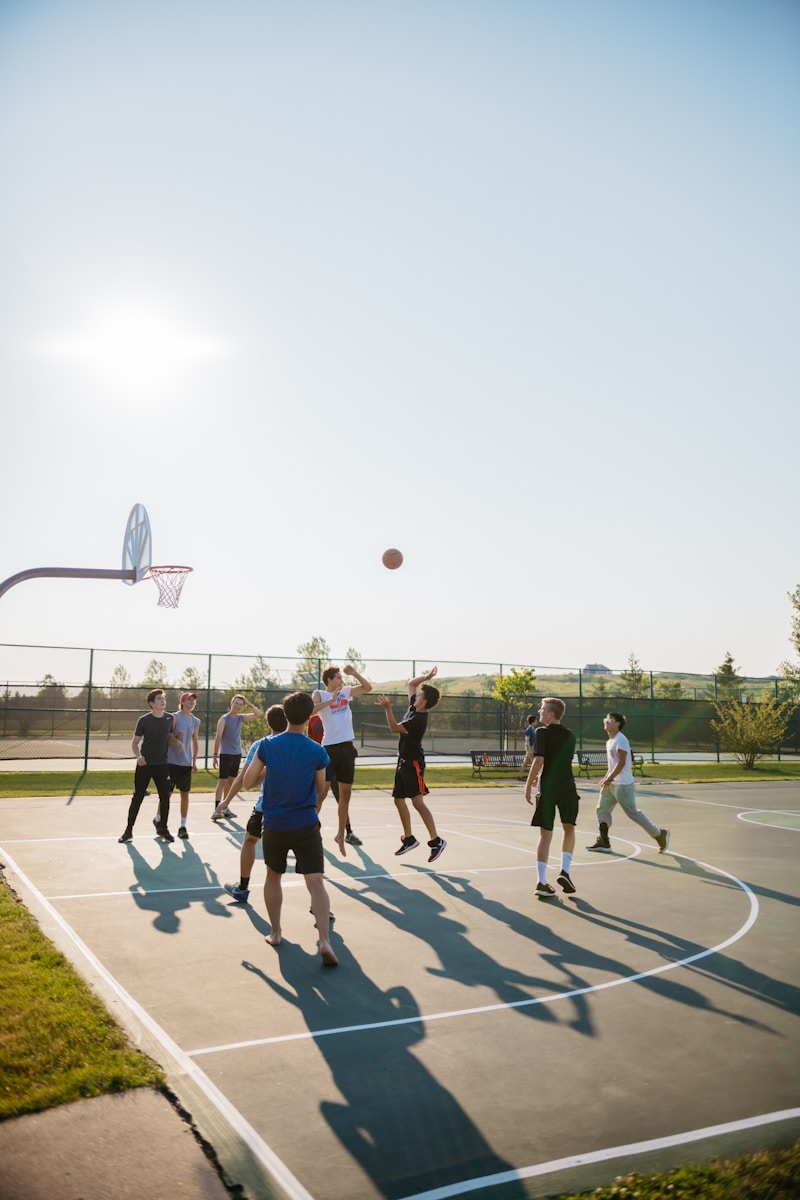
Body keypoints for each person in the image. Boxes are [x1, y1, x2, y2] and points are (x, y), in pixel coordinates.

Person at [242, 691, 337, 966]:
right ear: (310, 716)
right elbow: (320, 789)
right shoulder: (317, 750)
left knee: (273, 876)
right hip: (306, 823)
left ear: (284, 714)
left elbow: (248, 782)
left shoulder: (267, 746)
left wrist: (268, 769)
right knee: (316, 882)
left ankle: (275, 933)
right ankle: (325, 940)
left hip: (275, 823)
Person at [375, 666, 446, 863]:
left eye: (420, 695)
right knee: (398, 800)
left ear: (425, 701)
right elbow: (411, 684)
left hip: (413, 763)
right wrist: (427, 676)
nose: (417, 695)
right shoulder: (414, 707)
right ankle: (409, 839)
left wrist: (388, 708)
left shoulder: (418, 719)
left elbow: (393, 728)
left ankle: (436, 841)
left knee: (417, 802)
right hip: (403, 761)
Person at [223, 704, 288, 903]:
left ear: (268, 723)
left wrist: (226, 801)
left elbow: (244, 778)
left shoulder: (262, 745)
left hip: (267, 807)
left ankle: (242, 888)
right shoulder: (302, 744)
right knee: (304, 855)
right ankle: (319, 902)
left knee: (250, 840)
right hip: (296, 809)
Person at [312, 663, 373, 854]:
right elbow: (311, 710)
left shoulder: (346, 691)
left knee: (345, 795)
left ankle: (341, 834)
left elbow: (368, 688)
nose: (341, 680)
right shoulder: (320, 694)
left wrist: (354, 673)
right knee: (321, 793)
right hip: (329, 749)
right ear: (329, 679)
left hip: (347, 748)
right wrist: (331, 700)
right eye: (338, 677)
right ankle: (310, 830)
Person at [587, 712, 669, 853]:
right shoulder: (610, 741)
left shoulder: (621, 739)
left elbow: (622, 762)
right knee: (602, 809)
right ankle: (604, 841)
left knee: (633, 813)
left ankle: (659, 834)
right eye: (606, 718)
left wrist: (610, 778)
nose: (606, 721)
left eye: (610, 719)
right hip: (611, 783)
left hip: (623, 785)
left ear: (617, 724)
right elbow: (612, 764)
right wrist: (607, 777)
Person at [524, 696, 580, 897]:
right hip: (567, 787)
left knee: (545, 834)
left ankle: (541, 882)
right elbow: (559, 761)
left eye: (542, 709)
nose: (539, 711)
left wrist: (528, 784)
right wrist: (539, 776)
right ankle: (565, 871)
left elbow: (539, 760)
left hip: (548, 788)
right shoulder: (570, 735)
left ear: (551, 713)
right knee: (569, 828)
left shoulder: (541, 732)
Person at [119, 689, 178, 844]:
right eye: (159, 699)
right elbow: (134, 743)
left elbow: (169, 737)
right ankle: (128, 831)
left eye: (163, 698)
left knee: (165, 797)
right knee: (138, 797)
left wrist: (177, 742)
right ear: (151, 703)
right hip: (145, 765)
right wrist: (139, 757)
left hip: (162, 765)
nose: (162, 701)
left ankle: (163, 829)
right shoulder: (144, 720)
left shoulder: (169, 718)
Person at [212, 694, 262, 819]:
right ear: (231, 703)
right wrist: (215, 755)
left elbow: (258, 714)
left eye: (240, 704)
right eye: (236, 703)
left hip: (236, 754)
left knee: (231, 780)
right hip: (226, 754)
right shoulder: (224, 719)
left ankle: (225, 807)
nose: (238, 706)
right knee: (222, 780)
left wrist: (248, 703)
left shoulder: (240, 718)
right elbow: (218, 737)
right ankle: (217, 809)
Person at [158, 691, 201, 840]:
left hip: (186, 763)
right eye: (189, 699)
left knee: (185, 794)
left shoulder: (196, 721)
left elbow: (195, 742)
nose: (192, 702)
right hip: (171, 762)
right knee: (167, 794)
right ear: (182, 702)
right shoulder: (175, 717)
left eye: (193, 700)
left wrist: (194, 762)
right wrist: (177, 740)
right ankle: (158, 819)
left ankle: (182, 826)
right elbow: (166, 736)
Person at [517, 712, 537, 780]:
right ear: (533, 722)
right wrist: (529, 750)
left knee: (525, 762)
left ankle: (519, 775)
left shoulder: (533, 729)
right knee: (533, 763)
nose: (536, 722)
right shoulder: (529, 729)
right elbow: (527, 739)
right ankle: (534, 777)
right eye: (535, 721)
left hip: (532, 747)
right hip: (530, 748)